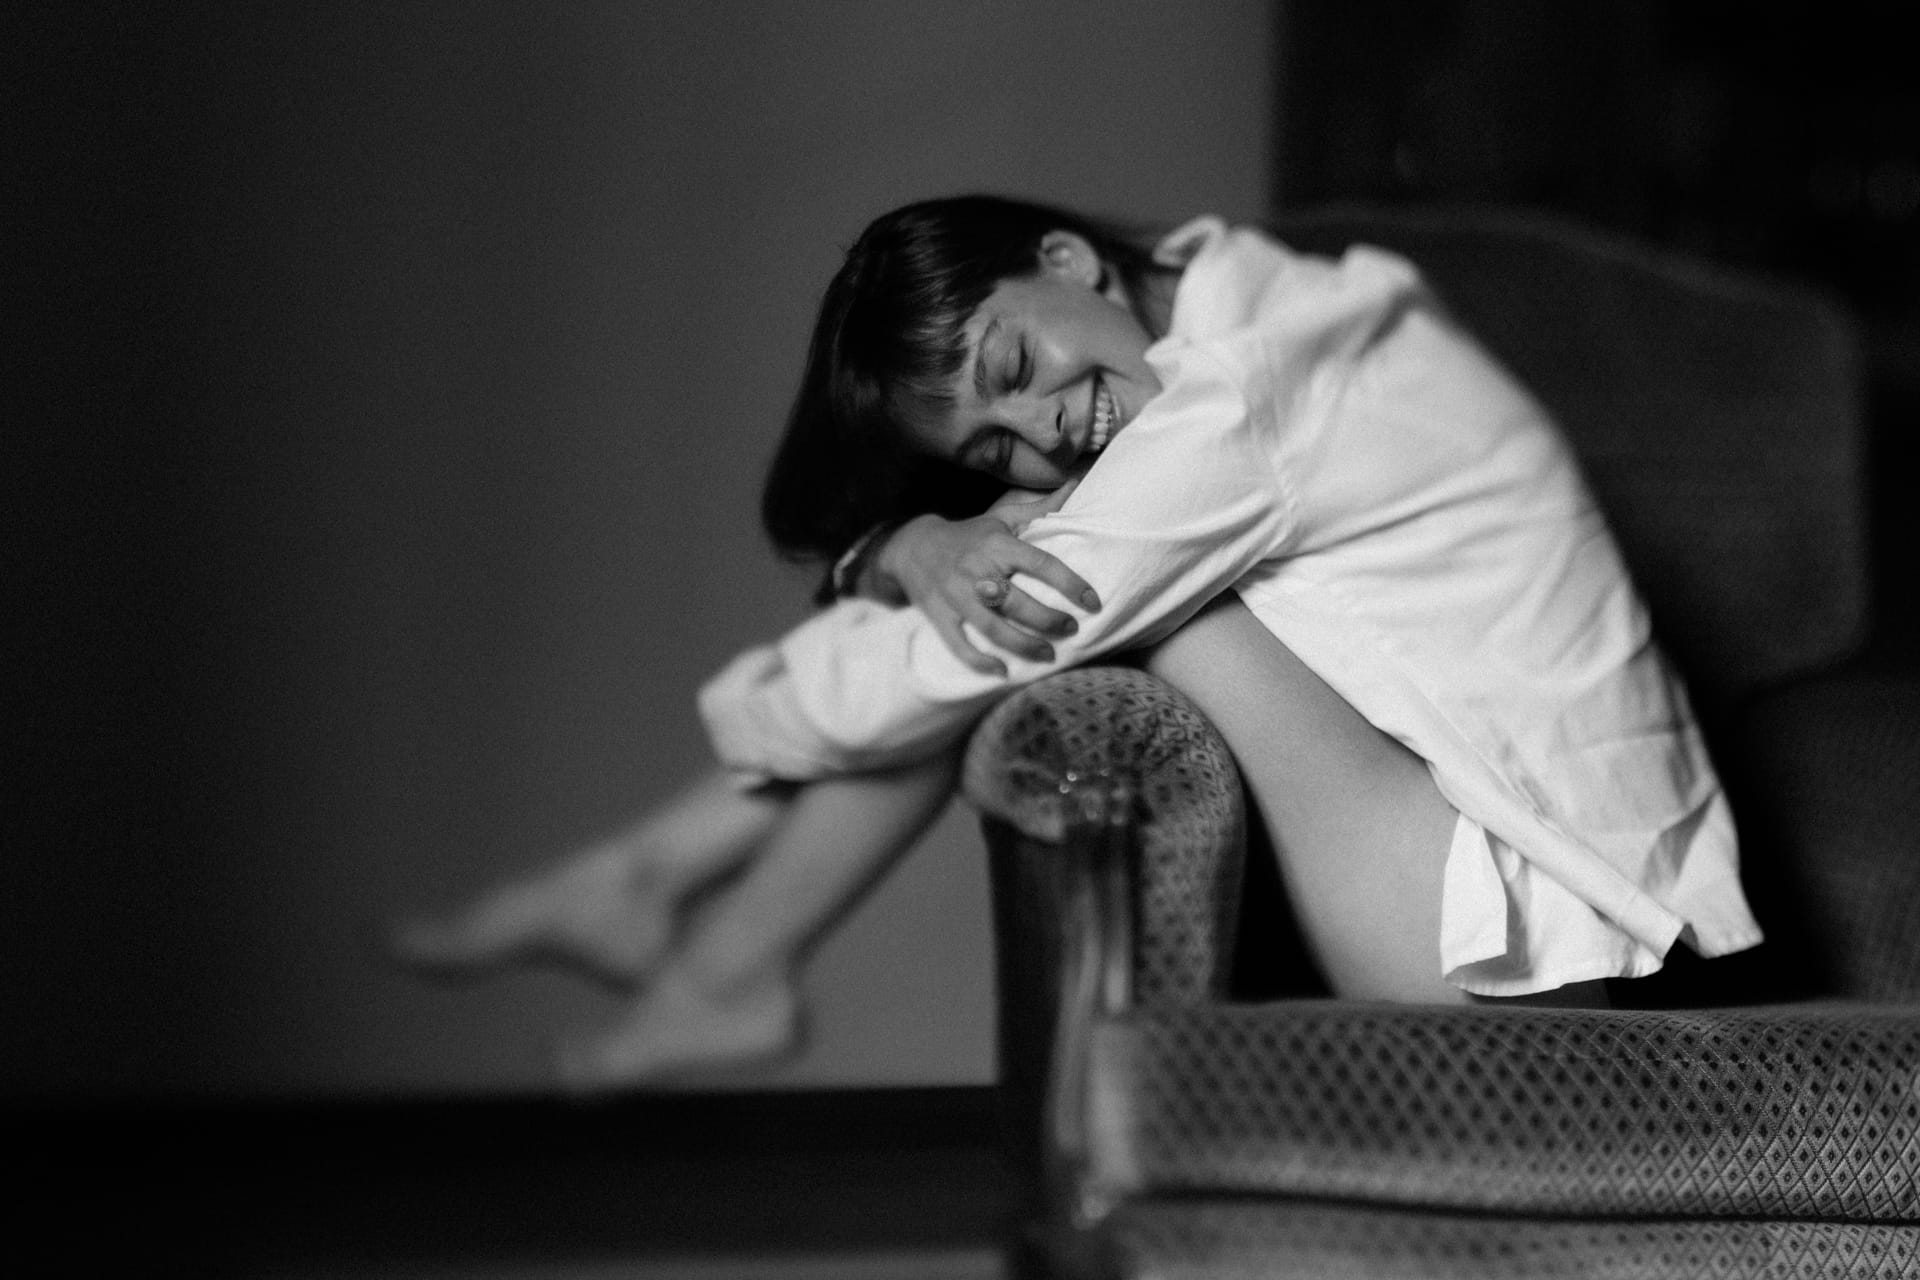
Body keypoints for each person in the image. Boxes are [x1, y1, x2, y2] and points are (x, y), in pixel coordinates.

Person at [394, 195, 1763, 1088]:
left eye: (1011, 368)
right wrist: (912, 541)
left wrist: (875, 581)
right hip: (1516, 893)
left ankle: (697, 926)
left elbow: (962, 649)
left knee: (1048, 610)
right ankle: (699, 940)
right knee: (1039, 581)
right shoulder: (1265, 301)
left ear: (1066, 261)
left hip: (1504, 957)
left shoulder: (1246, 395)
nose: (1041, 428)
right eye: (991, 443)